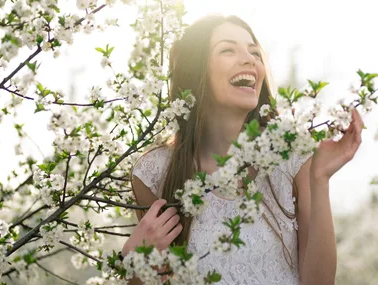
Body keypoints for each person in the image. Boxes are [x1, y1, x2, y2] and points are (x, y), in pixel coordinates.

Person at [120, 14, 364, 285]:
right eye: (227, 50)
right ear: (195, 69)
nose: (250, 60)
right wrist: (137, 263)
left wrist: (320, 180)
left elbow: (319, 282)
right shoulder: (156, 172)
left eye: (254, 52)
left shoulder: (291, 155)